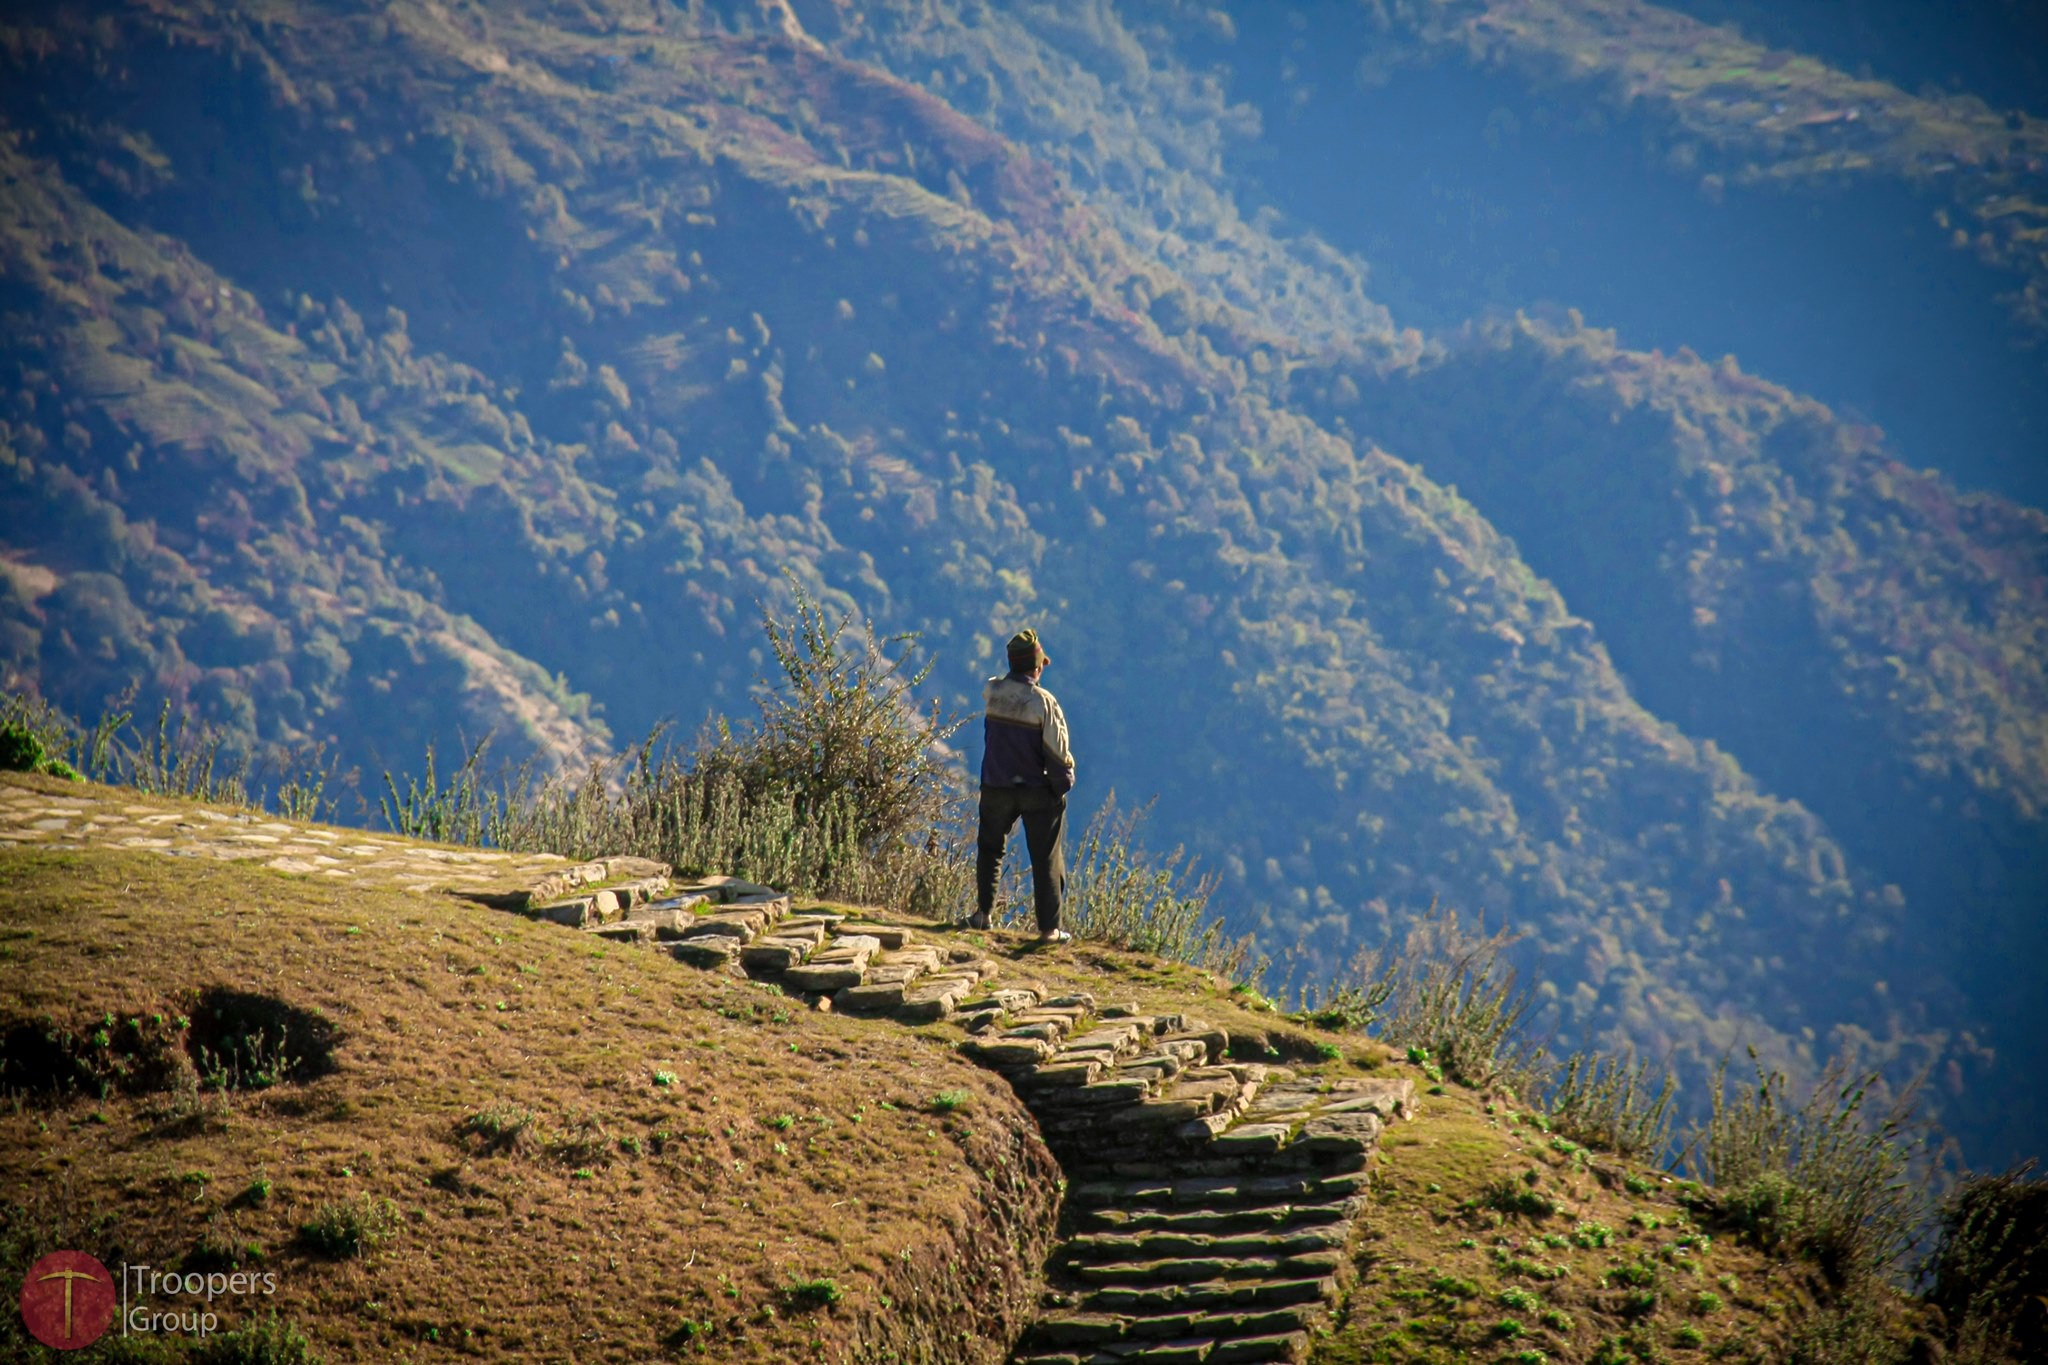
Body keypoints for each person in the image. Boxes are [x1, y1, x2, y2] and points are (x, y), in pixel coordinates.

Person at [969, 628, 1076, 942]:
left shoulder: (993, 692)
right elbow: (1058, 754)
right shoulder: (1043, 702)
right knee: (1046, 857)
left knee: (990, 849)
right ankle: (1049, 929)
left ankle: (983, 914)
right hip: (1034, 790)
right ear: (1037, 666)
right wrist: (1062, 785)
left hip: (995, 785)